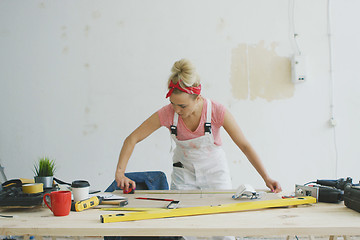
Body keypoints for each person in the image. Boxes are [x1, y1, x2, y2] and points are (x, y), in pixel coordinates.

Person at [115, 58, 281, 194]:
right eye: (173, 103)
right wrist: (120, 173)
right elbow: (132, 139)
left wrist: (266, 178)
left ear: (198, 98)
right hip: (183, 176)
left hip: (215, 173)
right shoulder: (167, 113)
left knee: (220, 227)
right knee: (182, 227)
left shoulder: (217, 112)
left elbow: (245, 146)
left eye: (183, 106)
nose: (177, 110)